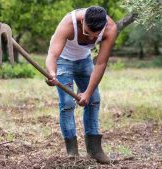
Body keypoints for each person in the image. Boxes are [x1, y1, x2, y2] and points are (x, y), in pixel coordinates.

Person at [45, 6, 117, 164]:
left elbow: (100, 63)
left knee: (94, 100)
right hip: (63, 61)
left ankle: (95, 151)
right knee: (67, 103)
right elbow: (52, 54)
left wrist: (87, 93)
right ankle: (73, 153)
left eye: (95, 36)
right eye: (87, 33)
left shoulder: (110, 28)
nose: (92, 39)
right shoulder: (68, 23)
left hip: (85, 61)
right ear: (82, 21)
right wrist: (52, 73)